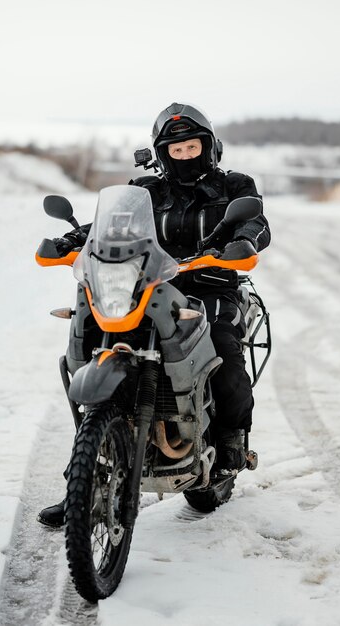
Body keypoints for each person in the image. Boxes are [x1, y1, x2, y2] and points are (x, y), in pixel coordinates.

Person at [37, 102, 270, 528]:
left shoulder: (234, 185)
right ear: (162, 154)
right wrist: (71, 239)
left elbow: (255, 224)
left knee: (222, 347)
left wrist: (242, 244)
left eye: (192, 147)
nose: (185, 156)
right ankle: (83, 479)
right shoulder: (146, 188)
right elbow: (110, 225)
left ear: (209, 146)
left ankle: (230, 444)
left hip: (209, 285)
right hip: (145, 286)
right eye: (175, 150)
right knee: (97, 342)